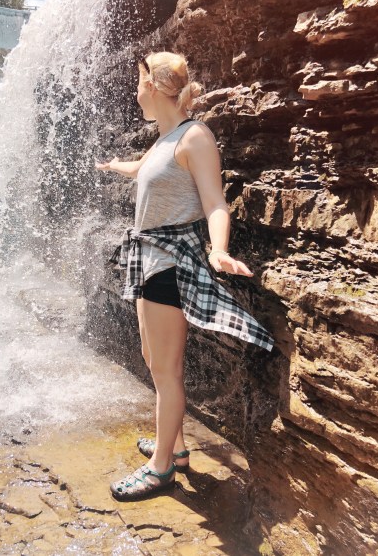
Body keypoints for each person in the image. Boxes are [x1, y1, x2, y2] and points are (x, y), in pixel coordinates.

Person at [95, 51, 274, 502]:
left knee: (167, 369)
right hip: (148, 258)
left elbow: (215, 202)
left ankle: (161, 470)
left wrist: (219, 249)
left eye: (138, 83)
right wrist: (117, 166)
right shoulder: (163, 139)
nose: (134, 92)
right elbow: (143, 169)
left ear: (153, 87)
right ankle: (173, 447)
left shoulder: (195, 137)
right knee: (152, 357)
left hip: (172, 263)